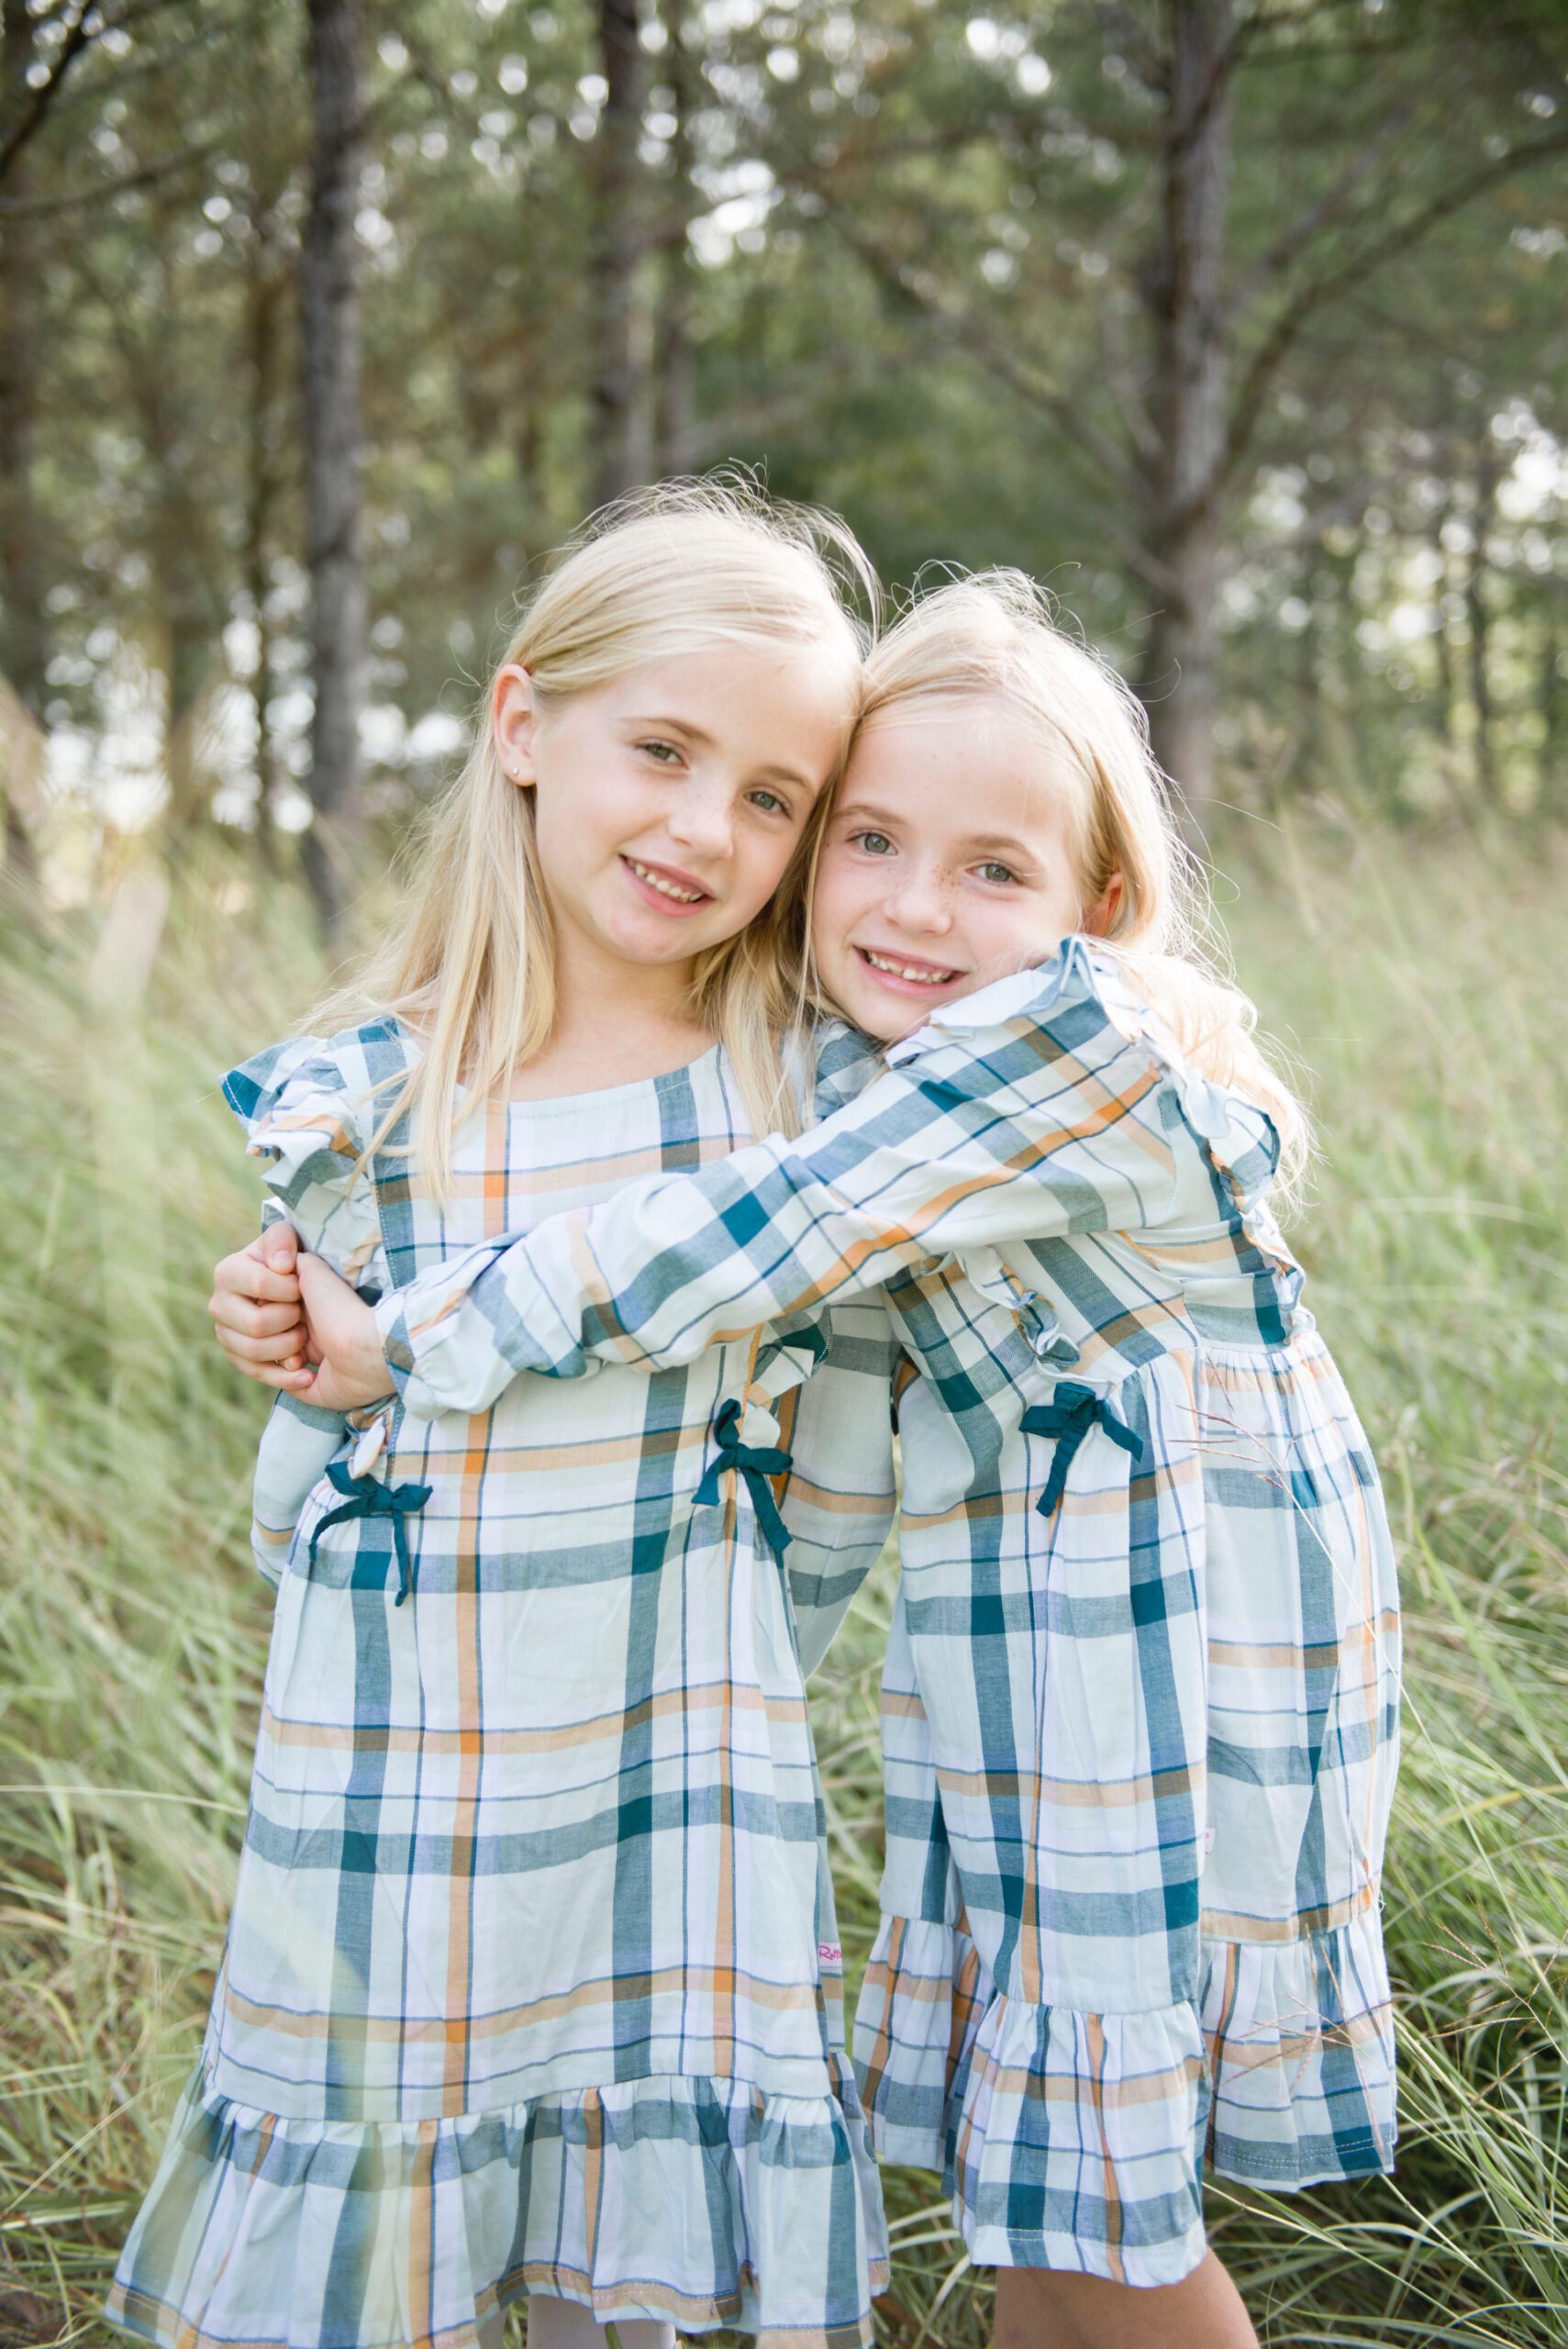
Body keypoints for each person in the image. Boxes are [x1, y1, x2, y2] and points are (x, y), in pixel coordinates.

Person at [242, 573, 1402, 2349]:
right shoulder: (872, 1080)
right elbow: (831, 1469)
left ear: (1098, 903)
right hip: (1015, 1671)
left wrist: (411, 1333)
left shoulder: (1055, 1048)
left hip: (1180, 1671)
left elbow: (747, 1235)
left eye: (995, 868)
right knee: (1046, 2180)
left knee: (1106, 2204)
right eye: (870, 837)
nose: (920, 906)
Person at [109, 482, 905, 2349]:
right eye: (663, 749)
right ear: (524, 724)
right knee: (396, 2220)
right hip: (402, 1762)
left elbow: (849, 1452)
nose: (709, 827)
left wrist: (752, 1638)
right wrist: (280, 1326)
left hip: (679, 1756)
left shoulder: (795, 1084)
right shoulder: (372, 1096)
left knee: (620, 2261)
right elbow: (301, 1481)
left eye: (776, 795)